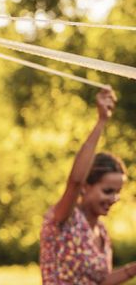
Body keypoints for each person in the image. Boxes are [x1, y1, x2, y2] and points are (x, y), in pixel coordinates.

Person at [40, 88, 136, 284]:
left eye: (117, 193)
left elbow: (100, 282)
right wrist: (102, 120)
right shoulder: (63, 221)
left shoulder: (101, 231)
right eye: (107, 191)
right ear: (86, 187)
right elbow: (74, 181)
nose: (113, 199)